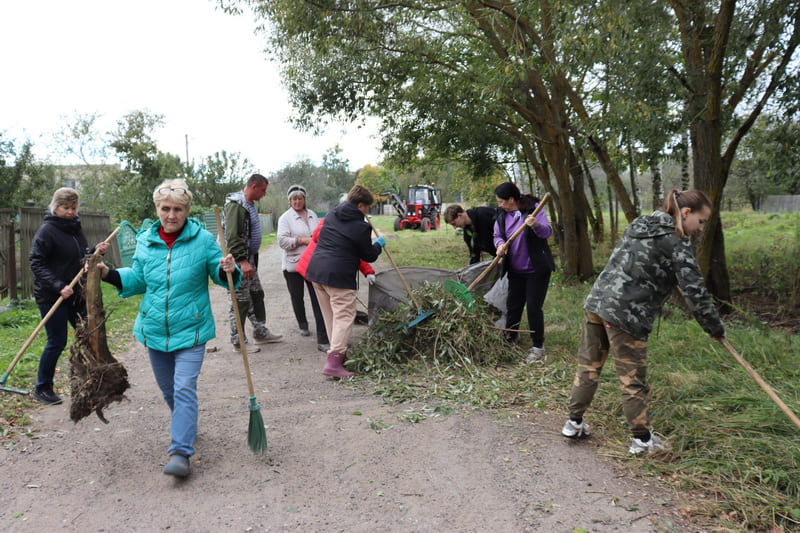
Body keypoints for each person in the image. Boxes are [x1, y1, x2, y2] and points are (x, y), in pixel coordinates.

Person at [561, 189, 725, 455]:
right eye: (701, 221)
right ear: (685, 213)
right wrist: (714, 327)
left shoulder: (640, 224)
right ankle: (642, 440)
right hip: (626, 314)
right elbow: (694, 290)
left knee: (588, 366)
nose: (701, 228)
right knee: (632, 379)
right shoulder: (676, 241)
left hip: (597, 303)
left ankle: (573, 423)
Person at [97, 180, 240, 477]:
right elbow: (138, 279)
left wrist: (228, 268)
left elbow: (220, 276)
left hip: (191, 329)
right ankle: (186, 425)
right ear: (157, 209)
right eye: (165, 209)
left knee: (184, 387)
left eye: (177, 209)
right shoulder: (146, 241)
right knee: (170, 392)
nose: (171, 215)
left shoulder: (202, 240)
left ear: (187, 211)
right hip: (154, 330)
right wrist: (108, 274)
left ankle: (180, 451)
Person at [29, 187, 110, 405]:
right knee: (57, 341)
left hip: (76, 293)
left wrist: (95, 251)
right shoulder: (47, 231)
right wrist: (58, 286)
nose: (71, 212)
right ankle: (42, 388)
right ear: (55, 207)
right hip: (52, 296)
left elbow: (80, 257)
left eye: (73, 207)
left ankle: (96, 379)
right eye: (66, 207)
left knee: (88, 333)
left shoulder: (75, 228)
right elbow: (36, 262)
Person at [304, 185, 385, 378]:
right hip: (338, 276)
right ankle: (333, 363)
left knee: (331, 316)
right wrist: (378, 245)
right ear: (360, 205)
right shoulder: (361, 227)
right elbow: (368, 255)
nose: (367, 212)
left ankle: (337, 353)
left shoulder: (331, 214)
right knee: (344, 316)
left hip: (317, 272)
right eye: (367, 208)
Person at [493, 182, 555, 363]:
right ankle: (511, 338)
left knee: (534, 307)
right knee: (513, 305)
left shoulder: (534, 210)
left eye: (501, 201)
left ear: (511, 199)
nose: (500, 205)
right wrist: (500, 245)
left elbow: (547, 232)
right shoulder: (501, 215)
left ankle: (538, 346)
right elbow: (497, 236)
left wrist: (535, 225)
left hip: (536, 269)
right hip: (515, 269)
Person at [296, 216, 378, 353]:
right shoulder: (341, 227)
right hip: (314, 269)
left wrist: (367, 271)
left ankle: (336, 343)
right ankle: (325, 342)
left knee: (333, 309)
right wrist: (368, 270)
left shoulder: (335, 220)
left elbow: (353, 253)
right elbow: (352, 252)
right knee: (323, 309)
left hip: (317, 268)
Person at [224, 173, 282, 352]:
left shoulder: (248, 205)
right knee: (240, 299)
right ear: (254, 187)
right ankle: (238, 341)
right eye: (263, 190)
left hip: (249, 259)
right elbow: (232, 237)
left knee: (255, 294)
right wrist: (242, 261)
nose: (264, 194)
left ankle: (260, 332)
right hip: (237, 261)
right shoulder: (236, 205)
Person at [277, 184, 329, 347]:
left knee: (318, 298)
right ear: (290, 201)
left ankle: (323, 336)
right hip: (293, 266)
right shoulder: (285, 218)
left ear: (304, 199)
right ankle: (303, 323)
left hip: (312, 264)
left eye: (300, 198)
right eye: (294, 199)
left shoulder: (312, 215)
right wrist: (302, 240)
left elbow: (320, 234)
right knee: (297, 297)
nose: (297, 202)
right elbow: (282, 241)